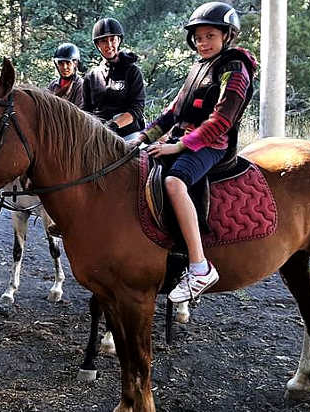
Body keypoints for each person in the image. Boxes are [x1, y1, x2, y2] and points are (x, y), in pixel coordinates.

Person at [133, 2, 258, 303]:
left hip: (212, 145)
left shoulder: (235, 68)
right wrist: (143, 136)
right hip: (183, 137)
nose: (203, 42)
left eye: (210, 36)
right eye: (198, 37)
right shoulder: (198, 67)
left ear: (227, 36)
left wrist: (180, 145)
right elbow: (173, 111)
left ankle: (200, 266)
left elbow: (222, 119)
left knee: (174, 182)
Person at [82, 18, 146, 137]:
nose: (109, 45)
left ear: (119, 41)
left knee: (140, 154)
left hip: (127, 133)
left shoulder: (132, 71)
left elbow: (137, 108)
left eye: (113, 40)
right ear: (98, 45)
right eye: (104, 41)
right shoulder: (91, 76)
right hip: (97, 134)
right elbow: (86, 111)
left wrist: (113, 126)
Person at [47, 43, 85, 108]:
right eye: (61, 63)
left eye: (68, 63)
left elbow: (80, 114)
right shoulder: (53, 85)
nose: (64, 67)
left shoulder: (81, 85)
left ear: (75, 64)